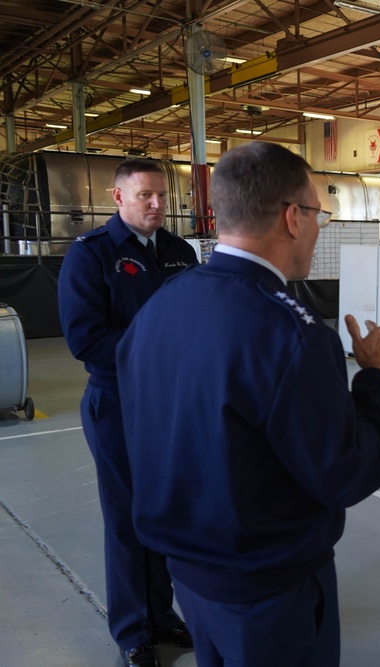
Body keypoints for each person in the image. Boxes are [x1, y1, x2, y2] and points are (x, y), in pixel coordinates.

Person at [115, 142, 380, 667]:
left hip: (190, 576)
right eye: (318, 213)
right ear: (293, 218)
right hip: (270, 591)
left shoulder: (161, 307)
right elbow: (345, 474)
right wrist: (379, 382)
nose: (319, 226)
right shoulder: (293, 336)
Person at [58, 158, 198, 667]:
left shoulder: (181, 253)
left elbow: (195, 320)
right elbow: (85, 338)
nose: (159, 205)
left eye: (163, 196)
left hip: (171, 405)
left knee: (163, 513)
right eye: (146, 196)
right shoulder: (90, 255)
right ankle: (133, 630)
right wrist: (158, 353)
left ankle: (163, 617)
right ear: (119, 198)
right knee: (126, 520)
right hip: (117, 403)